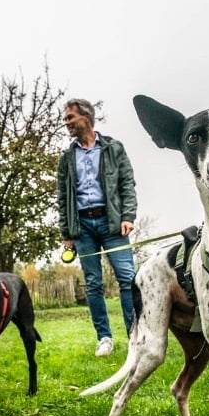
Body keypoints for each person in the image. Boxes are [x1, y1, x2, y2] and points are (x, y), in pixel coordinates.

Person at [56, 98, 137, 357]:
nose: (65, 122)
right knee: (92, 283)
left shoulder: (113, 148)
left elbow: (127, 184)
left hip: (113, 223)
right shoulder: (66, 158)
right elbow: (62, 197)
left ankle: (135, 335)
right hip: (83, 226)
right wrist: (67, 233)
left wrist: (128, 216)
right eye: (65, 118)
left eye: (70, 117)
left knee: (127, 279)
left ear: (86, 117)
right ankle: (104, 339)